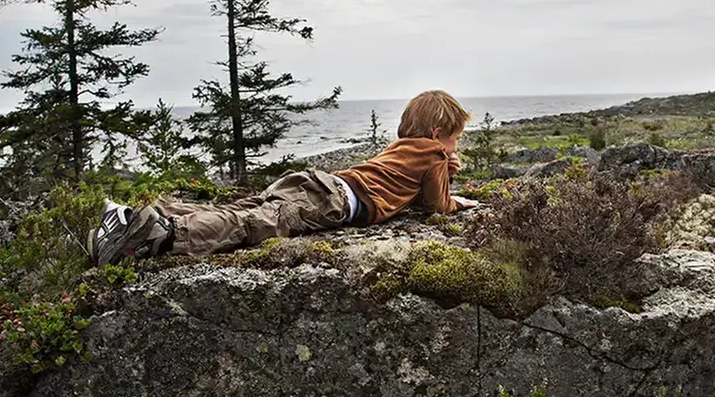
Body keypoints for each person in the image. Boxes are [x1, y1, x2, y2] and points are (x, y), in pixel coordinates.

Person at [87, 90, 479, 267]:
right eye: (455, 139)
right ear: (438, 135)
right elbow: (434, 205)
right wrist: (452, 193)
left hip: (319, 182)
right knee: (254, 224)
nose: (454, 147)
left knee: (245, 207)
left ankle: (135, 218)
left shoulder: (402, 148)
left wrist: (443, 170)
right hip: (334, 200)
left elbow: (407, 188)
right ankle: (160, 233)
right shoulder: (433, 153)